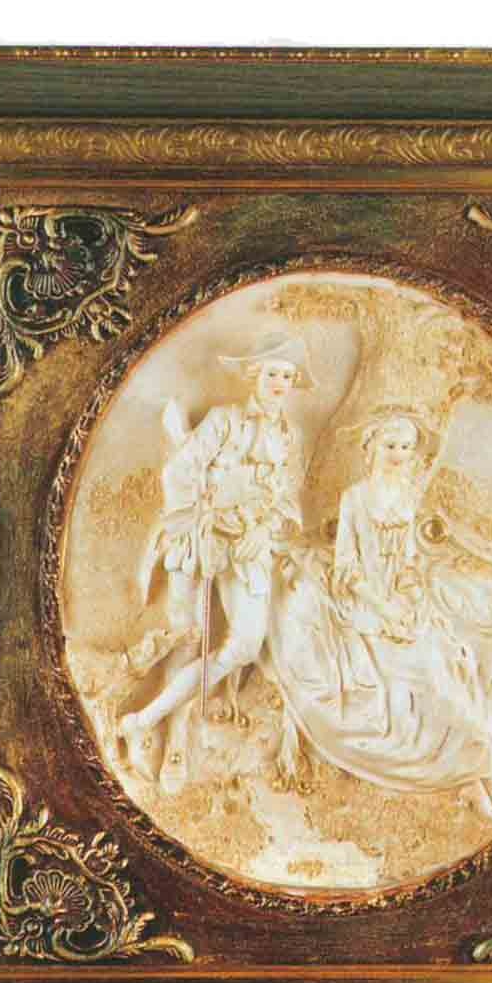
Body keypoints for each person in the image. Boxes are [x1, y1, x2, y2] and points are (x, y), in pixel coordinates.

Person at [265, 408, 492, 823]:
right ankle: (479, 780)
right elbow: (347, 568)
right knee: (434, 679)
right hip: (365, 606)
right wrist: (384, 607)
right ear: (372, 448)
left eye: (405, 447)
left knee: (455, 662)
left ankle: (485, 780)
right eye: (391, 445)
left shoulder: (405, 497)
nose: (398, 454)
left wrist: (410, 598)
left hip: (403, 604)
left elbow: (407, 561)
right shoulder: (356, 498)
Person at [117, 334, 311, 790]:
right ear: (255, 375)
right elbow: (180, 472)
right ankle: (174, 740)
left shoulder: (287, 436)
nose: (279, 382)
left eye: (287, 376)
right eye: (272, 373)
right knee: (190, 638)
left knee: (244, 643)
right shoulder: (225, 421)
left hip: (249, 548)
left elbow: (287, 502)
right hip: (200, 538)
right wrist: (207, 517)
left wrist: (262, 530)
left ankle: (143, 719)